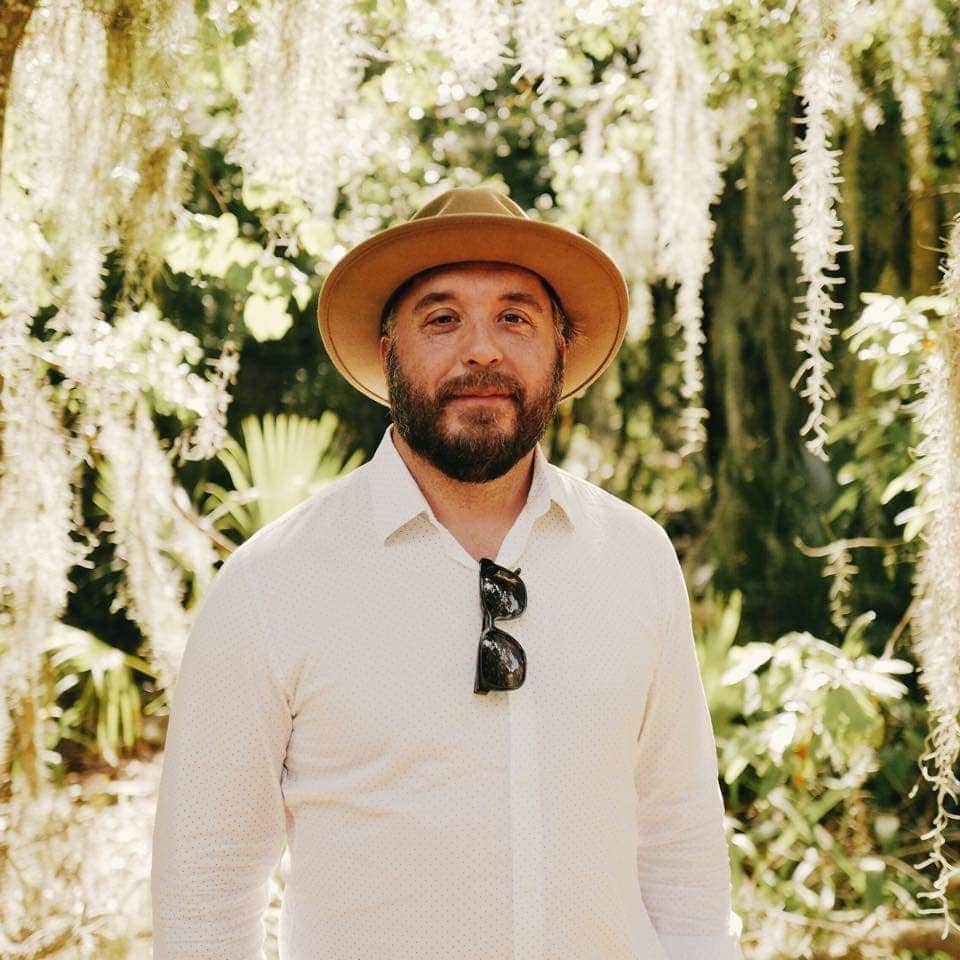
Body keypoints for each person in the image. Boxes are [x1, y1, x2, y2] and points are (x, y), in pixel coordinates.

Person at [150, 185, 745, 959]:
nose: (482, 351)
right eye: (441, 318)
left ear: (561, 349)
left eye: (515, 317)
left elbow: (681, 844)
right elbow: (205, 895)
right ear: (389, 347)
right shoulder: (274, 585)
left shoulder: (635, 559)